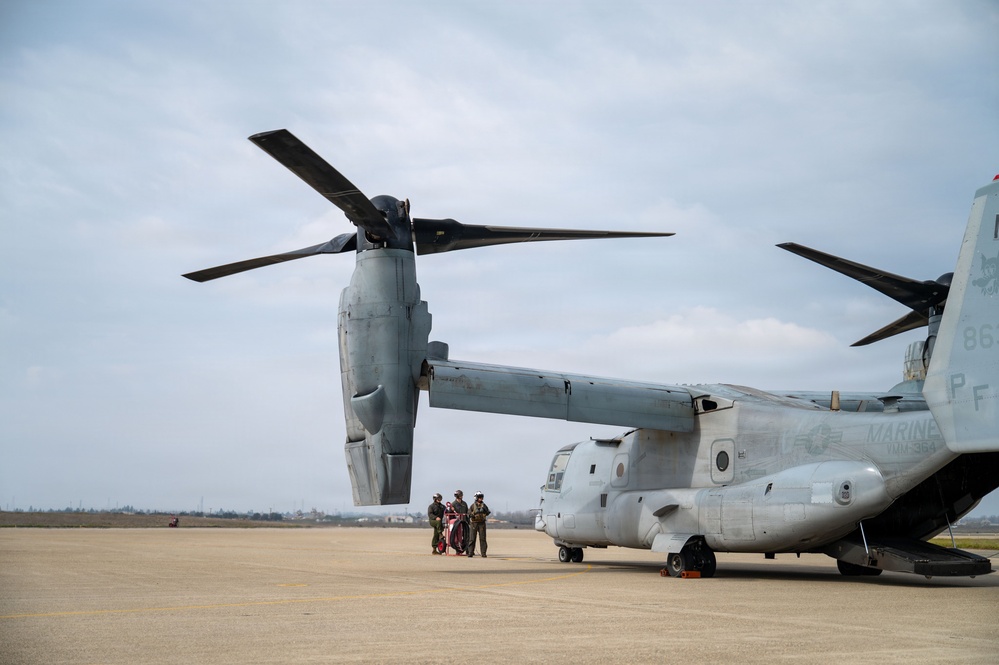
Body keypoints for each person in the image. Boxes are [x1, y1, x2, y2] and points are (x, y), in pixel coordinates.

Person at [466, 491, 491, 557]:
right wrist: (472, 515)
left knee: (483, 538)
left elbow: (488, 512)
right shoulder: (472, 506)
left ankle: (483, 553)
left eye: (481, 497)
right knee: (472, 538)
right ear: (476, 498)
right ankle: (470, 552)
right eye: (479, 497)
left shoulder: (484, 505)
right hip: (474, 524)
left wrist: (483, 513)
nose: (481, 499)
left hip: (482, 524)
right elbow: (468, 513)